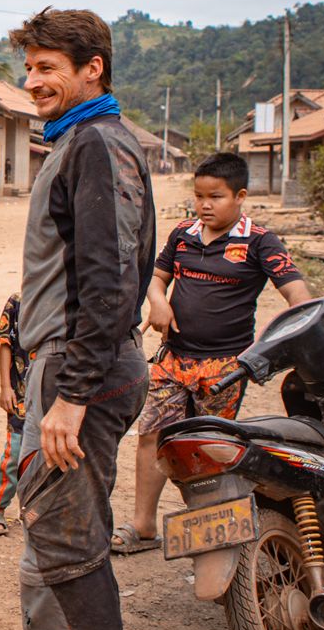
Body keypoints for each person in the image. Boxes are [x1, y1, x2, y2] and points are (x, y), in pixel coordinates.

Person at [0, 7, 155, 630]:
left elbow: (112, 280)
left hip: (80, 372)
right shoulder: (83, 143)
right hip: (67, 365)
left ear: (93, 68)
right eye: (29, 68)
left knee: (65, 549)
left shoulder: (95, 144)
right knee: (58, 543)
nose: (33, 82)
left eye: (49, 66)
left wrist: (72, 391)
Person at [122, 152, 311, 553]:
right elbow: (156, 280)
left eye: (216, 196)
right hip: (172, 359)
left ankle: (210, 535)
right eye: (199, 195)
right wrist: (158, 301)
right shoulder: (183, 234)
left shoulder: (260, 241)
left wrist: (290, 339)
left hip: (224, 367)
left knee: (209, 448)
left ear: (240, 196)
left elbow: (298, 296)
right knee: (152, 436)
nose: (205, 205)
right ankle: (142, 527)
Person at [0, 292, 29, 535]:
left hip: (54, 398)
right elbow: (5, 343)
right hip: (21, 397)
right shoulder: (18, 301)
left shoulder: (68, 298)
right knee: (14, 456)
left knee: (45, 459)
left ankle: (32, 512)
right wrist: (5, 387)